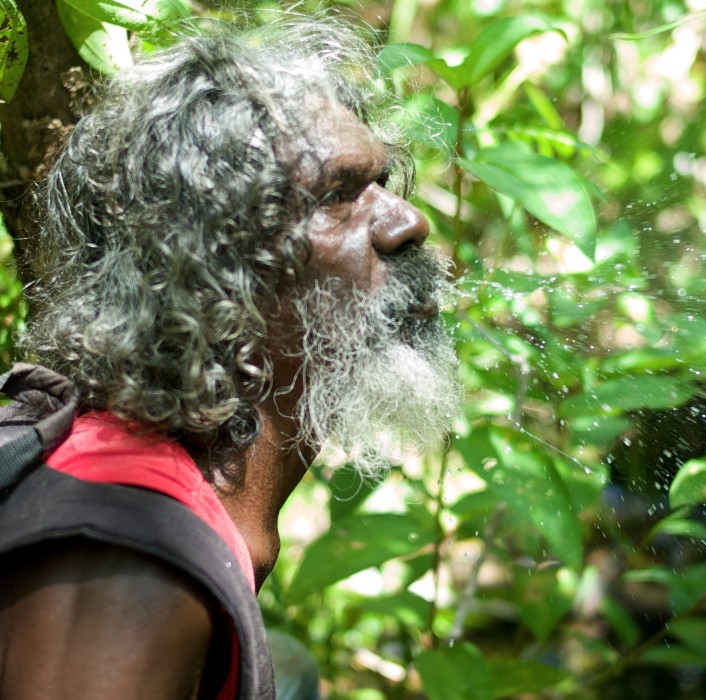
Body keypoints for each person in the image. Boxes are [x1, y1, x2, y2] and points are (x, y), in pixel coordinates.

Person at [0, 16, 460, 700]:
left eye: (384, 182)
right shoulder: (132, 549)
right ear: (205, 269)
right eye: (338, 195)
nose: (408, 222)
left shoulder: (170, 505)